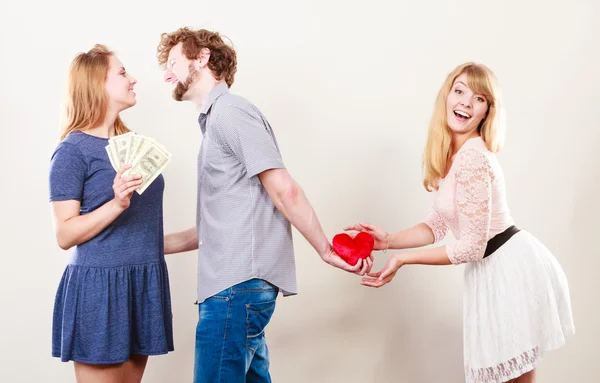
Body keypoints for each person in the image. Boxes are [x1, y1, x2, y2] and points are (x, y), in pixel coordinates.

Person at [156, 27, 372, 383]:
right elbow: (215, 225)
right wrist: (145, 243)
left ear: (203, 58)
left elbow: (285, 190)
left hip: (234, 291)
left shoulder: (230, 113)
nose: (167, 74)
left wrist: (325, 249)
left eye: (174, 62)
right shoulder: (216, 122)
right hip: (235, 290)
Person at [346, 62, 574, 383]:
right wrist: (388, 241)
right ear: (447, 96)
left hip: (509, 270)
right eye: (460, 91)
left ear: (486, 113)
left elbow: (471, 246)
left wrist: (402, 259)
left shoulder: (473, 158)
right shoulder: (453, 155)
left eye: (479, 98)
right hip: (492, 271)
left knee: (515, 378)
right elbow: (439, 222)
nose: (466, 102)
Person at [49, 44, 174, 383]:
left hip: (142, 284)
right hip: (99, 290)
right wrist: (116, 203)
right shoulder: (71, 152)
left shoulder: (132, 145)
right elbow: (65, 235)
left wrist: (205, 236)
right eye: (122, 73)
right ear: (96, 84)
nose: (133, 79)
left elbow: (139, 231)